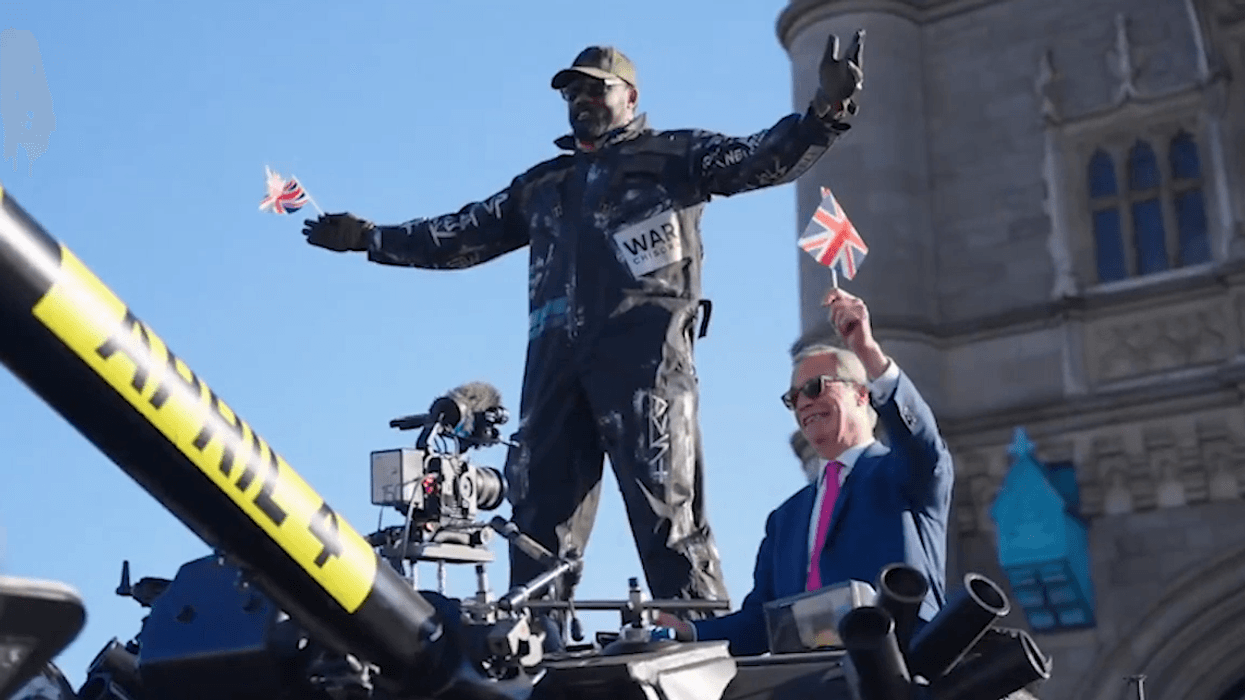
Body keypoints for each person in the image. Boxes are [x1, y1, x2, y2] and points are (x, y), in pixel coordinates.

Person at [298, 37, 866, 612]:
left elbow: (757, 157)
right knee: (537, 532)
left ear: (631, 95)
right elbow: (462, 232)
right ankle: (536, 658)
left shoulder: (673, 158)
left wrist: (825, 111)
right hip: (553, 376)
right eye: (572, 91)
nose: (581, 99)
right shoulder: (545, 186)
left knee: (669, 521)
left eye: (596, 87)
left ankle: (711, 653)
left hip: (646, 368)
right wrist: (370, 239)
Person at [660, 288, 953, 653]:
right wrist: (687, 633)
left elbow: (922, 442)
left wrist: (868, 352)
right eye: (793, 397)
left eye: (815, 388)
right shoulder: (785, 520)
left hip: (897, 672)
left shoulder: (903, 476)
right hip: (811, 680)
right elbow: (759, 623)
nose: (804, 403)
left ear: (861, 395)